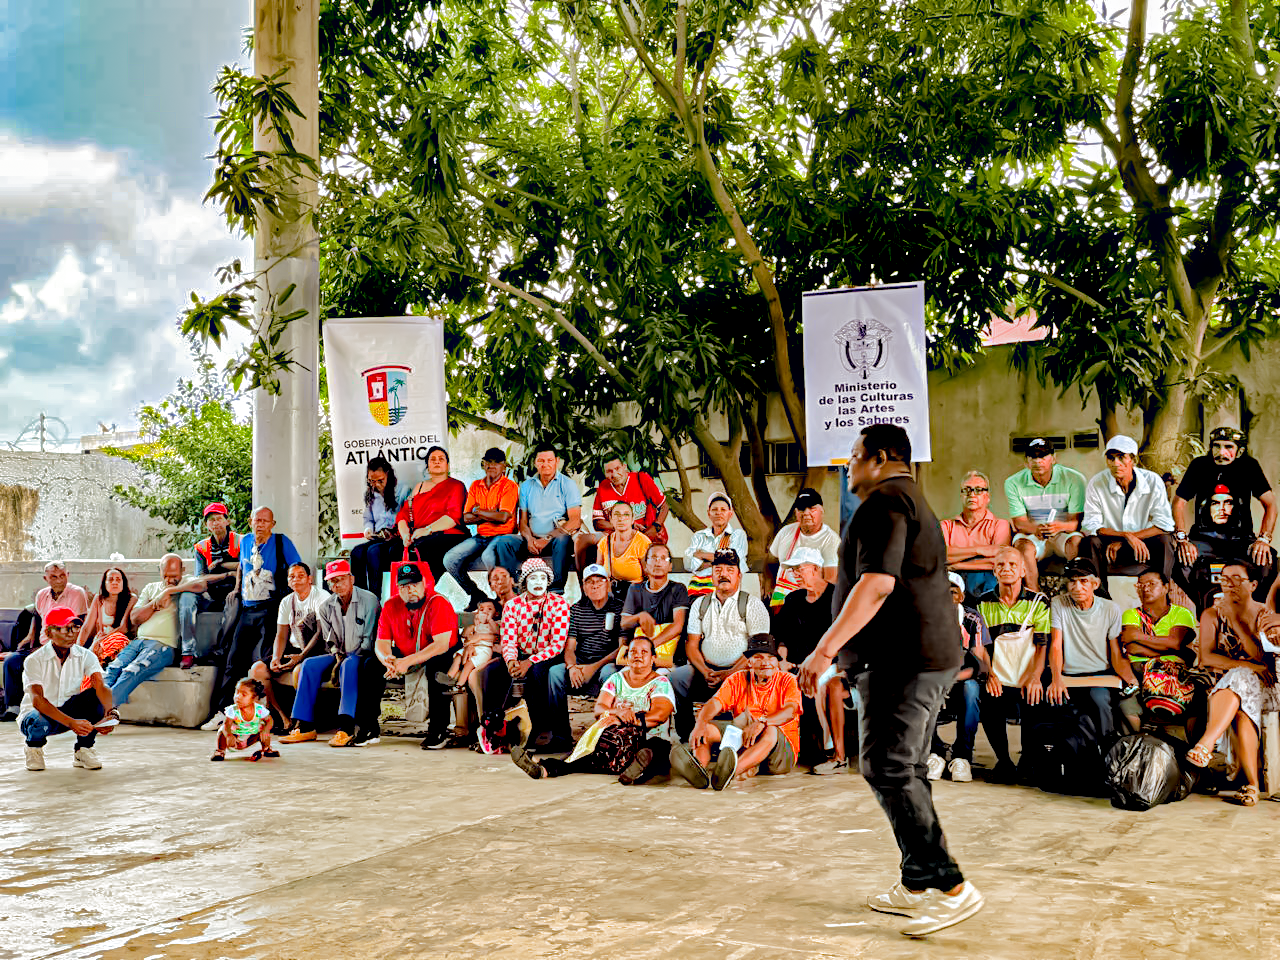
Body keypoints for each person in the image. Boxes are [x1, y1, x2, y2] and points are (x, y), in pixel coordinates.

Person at [798, 424, 983, 938]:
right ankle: (917, 882)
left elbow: (877, 584)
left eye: (855, 456)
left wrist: (824, 649)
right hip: (919, 655)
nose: (849, 466)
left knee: (888, 765)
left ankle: (951, 887)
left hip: (904, 660)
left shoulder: (885, 502)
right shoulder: (910, 499)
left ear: (880, 458)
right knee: (907, 767)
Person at [510, 635, 676, 784]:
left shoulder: (660, 682)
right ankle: (543, 769)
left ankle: (639, 769)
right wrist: (617, 713)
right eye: (633, 652)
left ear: (653, 658)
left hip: (650, 737)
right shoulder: (616, 679)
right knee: (582, 754)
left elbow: (660, 715)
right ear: (627, 657)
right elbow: (599, 708)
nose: (638, 655)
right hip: (616, 742)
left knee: (657, 750)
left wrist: (630, 720)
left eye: (644, 652)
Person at [1186, 560, 1280, 806]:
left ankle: (1206, 744)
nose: (1229, 585)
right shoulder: (1211, 614)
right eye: (1225, 579)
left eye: (1237, 579)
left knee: (1240, 679)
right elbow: (1207, 657)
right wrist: (1248, 666)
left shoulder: (1264, 614)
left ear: (1253, 585)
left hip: (1266, 686)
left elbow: (1261, 658)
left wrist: (1236, 622)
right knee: (1240, 698)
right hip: (1231, 689)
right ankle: (1252, 786)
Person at [207, 506, 304, 724]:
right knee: (233, 659)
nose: (259, 524)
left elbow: (297, 568)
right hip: (248, 608)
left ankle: (267, 713)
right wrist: (237, 588)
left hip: (271, 608)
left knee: (265, 659)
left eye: (264, 521)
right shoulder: (246, 541)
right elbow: (242, 566)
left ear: (272, 524)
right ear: (250, 521)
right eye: (256, 520)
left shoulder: (281, 542)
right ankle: (223, 712)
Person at [672, 634, 802, 790]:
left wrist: (762, 722)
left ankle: (731, 772)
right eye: (758, 657)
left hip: (779, 756)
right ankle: (699, 769)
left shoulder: (788, 680)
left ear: (777, 661)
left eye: (770, 657)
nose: (765, 662)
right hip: (746, 743)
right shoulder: (737, 679)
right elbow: (714, 703)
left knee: (771, 729)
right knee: (706, 729)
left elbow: (790, 710)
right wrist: (700, 724)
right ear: (749, 662)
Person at [667, 548, 770, 741]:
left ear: (739, 575)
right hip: (707, 671)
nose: (723, 574)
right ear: (712, 575)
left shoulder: (752, 604)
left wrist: (729, 673)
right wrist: (705, 671)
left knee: (757, 680)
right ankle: (687, 736)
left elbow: (758, 650)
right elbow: (691, 644)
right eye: (718, 569)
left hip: (742, 672)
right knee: (677, 678)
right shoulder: (700, 604)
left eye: (730, 570)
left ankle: (742, 738)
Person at [282, 559, 385, 747]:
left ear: (351, 579)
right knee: (309, 665)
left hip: (363, 655)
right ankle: (304, 727)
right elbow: (330, 641)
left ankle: (346, 728)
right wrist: (337, 657)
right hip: (340, 654)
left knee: (349, 664)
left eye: (341, 579)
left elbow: (369, 640)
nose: (337, 585)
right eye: (332, 581)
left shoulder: (369, 600)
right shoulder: (326, 606)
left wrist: (342, 660)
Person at [1172, 426, 1277, 605]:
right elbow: (1178, 503)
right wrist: (1182, 539)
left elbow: (1271, 504)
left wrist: (1263, 540)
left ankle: (1253, 607)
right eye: (1216, 446)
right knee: (1180, 561)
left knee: (1268, 560)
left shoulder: (1249, 466)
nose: (1221, 452)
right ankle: (1203, 607)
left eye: (1228, 447)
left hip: (1241, 539)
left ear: (1239, 450)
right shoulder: (1199, 465)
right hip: (1203, 538)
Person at [976, 547, 1052, 782]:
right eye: (1000, 565)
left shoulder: (1039, 602)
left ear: (1022, 571)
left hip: (1028, 675)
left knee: (1035, 701)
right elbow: (982, 646)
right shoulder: (982, 602)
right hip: (998, 674)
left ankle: (1027, 761)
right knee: (988, 701)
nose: (1006, 569)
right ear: (994, 571)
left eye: (1012, 565)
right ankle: (1004, 762)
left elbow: (1042, 645)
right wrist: (990, 675)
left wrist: (1035, 677)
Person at [770, 547, 848, 774]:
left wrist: (823, 661)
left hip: (831, 663)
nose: (795, 574)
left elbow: (845, 637)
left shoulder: (837, 597)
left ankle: (828, 750)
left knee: (816, 683)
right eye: (793, 570)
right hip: (795, 664)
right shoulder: (793, 599)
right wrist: (782, 658)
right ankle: (784, 747)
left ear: (815, 568)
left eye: (799, 569)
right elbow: (781, 636)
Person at [481, 558, 573, 751]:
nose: (538, 582)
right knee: (493, 671)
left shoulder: (559, 604)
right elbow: (509, 640)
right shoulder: (513, 606)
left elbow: (557, 645)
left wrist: (529, 662)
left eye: (542, 578)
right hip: (520, 655)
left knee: (536, 672)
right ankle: (494, 725)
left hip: (548, 656)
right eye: (533, 578)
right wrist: (511, 661)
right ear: (524, 582)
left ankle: (538, 728)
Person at [1044, 559, 1131, 748]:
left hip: (1100, 675)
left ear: (1095, 584)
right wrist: (1056, 678)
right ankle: (1064, 756)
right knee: (1056, 703)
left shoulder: (1110, 608)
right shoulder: (1058, 603)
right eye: (1072, 581)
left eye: (1083, 581)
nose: (1077, 587)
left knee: (1100, 701)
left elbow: (1116, 652)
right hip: (1069, 676)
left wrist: (1131, 680)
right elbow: (1056, 645)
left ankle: (1109, 753)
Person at [376, 560, 461, 750]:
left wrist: (406, 662)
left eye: (415, 584)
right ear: (398, 589)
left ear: (423, 583)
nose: (411, 590)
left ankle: (438, 731)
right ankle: (367, 727)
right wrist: (388, 659)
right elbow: (381, 642)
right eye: (405, 586)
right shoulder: (390, 606)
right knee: (369, 664)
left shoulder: (438, 602)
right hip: (408, 653)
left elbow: (441, 645)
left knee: (437, 667)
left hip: (439, 653)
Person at [1078, 435, 1176, 596]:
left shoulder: (1152, 481)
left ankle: (1162, 593)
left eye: (1121, 457)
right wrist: (1125, 536)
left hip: (1143, 543)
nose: (1116, 463)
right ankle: (1101, 597)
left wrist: (1129, 539)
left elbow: (1164, 524)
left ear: (1133, 460)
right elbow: (1091, 525)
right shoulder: (1097, 482)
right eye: (1111, 458)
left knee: (1165, 541)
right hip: (1110, 543)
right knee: (1090, 542)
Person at [19, 607, 114, 772]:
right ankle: (33, 748)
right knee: (38, 722)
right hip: (40, 715)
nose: (71, 633)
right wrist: (71, 722)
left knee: (94, 697)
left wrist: (110, 713)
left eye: (74, 627)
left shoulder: (85, 655)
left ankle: (84, 749)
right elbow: (37, 700)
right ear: (49, 633)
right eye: (64, 628)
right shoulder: (34, 660)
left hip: (69, 710)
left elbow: (100, 686)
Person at [107, 555, 207, 707]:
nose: (169, 580)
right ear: (159, 571)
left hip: (163, 645)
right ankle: (92, 708)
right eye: (165, 576)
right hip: (139, 641)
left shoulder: (187, 582)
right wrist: (155, 602)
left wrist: (170, 591)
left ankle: (102, 710)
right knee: (112, 670)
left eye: (173, 576)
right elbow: (135, 618)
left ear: (182, 570)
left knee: (131, 671)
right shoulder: (151, 588)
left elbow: (202, 584)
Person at [546, 564, 624, 745]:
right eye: (590, 582)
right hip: (581, 662)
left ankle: (608, 735)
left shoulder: (619, 607)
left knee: (610, 674)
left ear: (608, 584)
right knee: (555, 673)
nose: (595, 586)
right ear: (584, 587)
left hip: (606, 662)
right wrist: (572, 667)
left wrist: (592, 668)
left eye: (599, 581)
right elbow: (570, 647)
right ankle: (561, 736)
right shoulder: (577, 609)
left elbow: (622, 647)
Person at [3, 560, 90, 720]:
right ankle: (13, 708)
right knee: (12, 661)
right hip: (42, 645)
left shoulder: (77, 593)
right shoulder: (42, 595)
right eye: (54, 577)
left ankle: (57, 710)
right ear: (46, 578)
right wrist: (30, 638)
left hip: (63, 646)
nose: (59, 580)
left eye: (62, 576)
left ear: (68, 575)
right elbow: (37, 617)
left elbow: (80, 624)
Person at [925, 573, 991, 784]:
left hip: (962, 678)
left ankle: (962, 756)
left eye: (952, 592)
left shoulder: (972, 618)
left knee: (971, 689)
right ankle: (934, 753)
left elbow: (979, 665)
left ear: (961, 596)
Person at [492, 443, 583, 593]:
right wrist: (529, 539)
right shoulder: (526, 486)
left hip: (555, 540)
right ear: (535, 462)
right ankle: (515, 590)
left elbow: (574, 521)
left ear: (557, 461)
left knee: (563, 540)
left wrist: (546, 538)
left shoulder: (568, 484)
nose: (545, 464)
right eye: (541, 460)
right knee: (504, 542)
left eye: (549, 460)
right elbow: (523, 522)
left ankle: (556, 591)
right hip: (532, 540)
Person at [250, 562, 331, 726]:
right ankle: (281, 718)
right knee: (257, 669)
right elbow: (281, 635)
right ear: (288, 581)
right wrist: (276, 658)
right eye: (292, 577)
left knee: (299, 671)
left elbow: (321, 633)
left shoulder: (321, 597)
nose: (296, 580)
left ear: (310, 579)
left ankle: (304, 721)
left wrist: (301, 656)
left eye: (301, 576)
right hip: (294, 649)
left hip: (317, 649)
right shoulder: (287, 602)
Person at [1118, 568, 1197, 729]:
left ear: (1166, 588)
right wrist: (1171, 649)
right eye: (1141, 585)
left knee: (1198, 699)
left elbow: (1175, 642)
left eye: (1151, 584)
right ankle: (1138, 739)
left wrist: (1138, 636)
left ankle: (1193, 744)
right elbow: (1132, 647)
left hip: (1173, 669)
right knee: (1125, 702)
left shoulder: (1181, 613)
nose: (1145, 589)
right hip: (1139, 668)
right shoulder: (1131, 614)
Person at [1004, 438, 1086, 592]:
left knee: (1076, 542)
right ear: (1026, 462)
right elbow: (1020, 523)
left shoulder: (1074, 478)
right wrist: (1036, 529)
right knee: (1022, 547)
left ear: (1054, 458)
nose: (1038, 461)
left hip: (1063, 533)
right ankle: (1034, 596)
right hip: (1033, 534)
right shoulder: (1013, 482)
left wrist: (1058, 527)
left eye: (1043, 456)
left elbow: (1075, 522)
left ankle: (1073, 592)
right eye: (1033, 457)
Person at [443, 447, 519, 610]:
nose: (492, 465)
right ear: (483, 464)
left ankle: (502, 599)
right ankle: (476, 594)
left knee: (488, 556)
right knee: (449, 559)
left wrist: (478, 511)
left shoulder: (509, 486)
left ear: (504, 466)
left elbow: (503, 517)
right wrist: (492, 513)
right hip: (481, 536)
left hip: (502, 536)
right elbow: (466, 518)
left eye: (497, 462)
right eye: (488, 462)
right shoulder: (476, 485)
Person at [576, 454, 669, 571]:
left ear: (624, 467)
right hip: (614, 535)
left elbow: (664, 506)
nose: (614, 474)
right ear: (605, 473)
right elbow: (598, 523)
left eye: (617, 468)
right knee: (582, 540)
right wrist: (625, 526)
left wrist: (656, 526)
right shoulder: (603, 487)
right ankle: (586, 581)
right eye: (609, 471)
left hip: (643, 534)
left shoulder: (641, 479)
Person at [396, 446, 469, 588]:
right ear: (427, 465)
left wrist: (426, 530)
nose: (437, 462)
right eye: (433, 459)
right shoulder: (419, 487)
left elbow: (452, 517)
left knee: (426, 548)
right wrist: (405, 535)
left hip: (449, 534)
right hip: (418, 536)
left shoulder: (456, 486)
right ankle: (402, 594)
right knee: (391, 550)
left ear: (448, 465)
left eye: (441, 459)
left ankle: (424, 591)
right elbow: (403, 515)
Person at [180, 502, 242, 669]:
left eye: (219, 518)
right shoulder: (201, 547)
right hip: (210, 594)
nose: (215, 523)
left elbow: (245, 566)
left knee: (234, 601)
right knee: (186, 597)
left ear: (227, 521)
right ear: (207, 525)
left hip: (234, 592)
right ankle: (187, 652)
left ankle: (221, 650)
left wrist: (220, 564)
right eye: (211, 520)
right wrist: (228, 573)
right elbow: (201, 578)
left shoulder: (241, 541)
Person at [941, 471, 1014, 600]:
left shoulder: (1000, 524)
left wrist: (957, 565)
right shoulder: (946, 525)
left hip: (986, 581)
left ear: (987, 497)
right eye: (967, 490)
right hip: (952, 579)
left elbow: (998, 562)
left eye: (978, 490)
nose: (972, 494)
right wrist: (980, 550)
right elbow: (941, 556)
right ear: (961, 495)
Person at [620, 543, 690, 670]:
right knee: (623, 676)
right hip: (638, 657)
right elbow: (624, 623)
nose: (658, 562)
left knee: (662, 676)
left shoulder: (678, 589)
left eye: (663, 558)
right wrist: (639, 617)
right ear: (646, 565)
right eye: (653, 558)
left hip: (666, 658)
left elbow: (678, 625)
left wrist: (649, 647)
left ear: (670, 566)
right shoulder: (635, 589)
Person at [767, 487, 839, 610]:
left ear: (822, 511)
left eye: (811, 508)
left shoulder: (831, 540)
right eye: (801, 509)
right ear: (796, 512)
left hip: (809, 605)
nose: (806, 513)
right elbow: (770, 561)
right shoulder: (786, 532)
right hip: (780, 601)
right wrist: (769, 585)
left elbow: (831, 581)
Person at [349, 456, 405, 597]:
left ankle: (374, 597)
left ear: (388, 475)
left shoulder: (402, 491)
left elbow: (407, 517)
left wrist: (394, 531)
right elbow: (368, 518)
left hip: (396, 538)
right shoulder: (371, 494)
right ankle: (361, 596)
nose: (376, 485)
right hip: (379, 537)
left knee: (373, 552)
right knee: (356, 552)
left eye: (380, 480)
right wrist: (368, 530)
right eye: (372, 481)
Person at [683, 492, 749, 597]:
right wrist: (720, 560)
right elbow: (689, 564)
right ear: (709, 513)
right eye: (714, 510)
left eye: (723, 510)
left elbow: (733, 560)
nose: (719, 513)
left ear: (730, 514)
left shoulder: (737, 535)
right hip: (698, 590)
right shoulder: (699, 536)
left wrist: (701, 555)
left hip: (726, 590)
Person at [77, 567, 136, 664]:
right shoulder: (98, 599)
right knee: (86, 662)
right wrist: (77, 649)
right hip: (99, 642)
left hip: (120, 642)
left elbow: (123, 628)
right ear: (104, 583)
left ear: (123, 583)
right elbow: (86, 628)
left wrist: (101, 640)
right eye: (110, 579)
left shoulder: (131, 598)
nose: (114, 583)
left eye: (118, 580)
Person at [211, 678, 278, 761]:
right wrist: (229, 735)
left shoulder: (260, 710)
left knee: (264, 729)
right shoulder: (233, 710)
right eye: (237, 692)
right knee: (222, 730)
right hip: (234, 739)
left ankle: (266, 748)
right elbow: (227, 724)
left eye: (243, 694)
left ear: (254, 698)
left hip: (251, 737)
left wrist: (266, 730)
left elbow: (269, 721)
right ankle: (220, 751)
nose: (238, 697)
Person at [595, 502, 652, 599]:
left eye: (626, 514)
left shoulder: (643, 542)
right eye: (617, 514)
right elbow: (598, 574)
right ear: (611, 519)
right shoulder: (604, 542)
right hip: (611, 597)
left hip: (637, 597)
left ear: (632, 519)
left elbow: (651, 578)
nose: (621, 519)